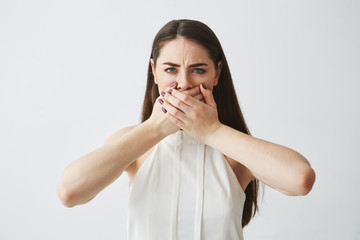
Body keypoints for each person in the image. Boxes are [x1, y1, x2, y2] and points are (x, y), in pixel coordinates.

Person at [56, 19, 316, 240]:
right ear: (154, 72)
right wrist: (154, 129)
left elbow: (301, 179)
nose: (183, 83)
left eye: (198, 70)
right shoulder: (132, 143)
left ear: (216, 74)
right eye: (170, 69)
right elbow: (69, 192)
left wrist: (212, 131)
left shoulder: (236, 150)